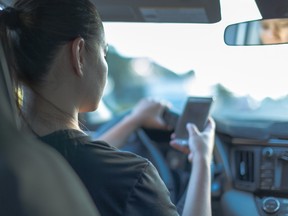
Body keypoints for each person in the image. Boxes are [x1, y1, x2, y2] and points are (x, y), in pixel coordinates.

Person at [0, 0, 215, 215]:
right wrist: (202, 159)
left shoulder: (12, 160)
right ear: (79, 54)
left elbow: (71, 156)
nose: (105, 64)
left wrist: (133, 120)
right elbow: (83, 159)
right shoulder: (131, 178)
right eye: (104, 53)